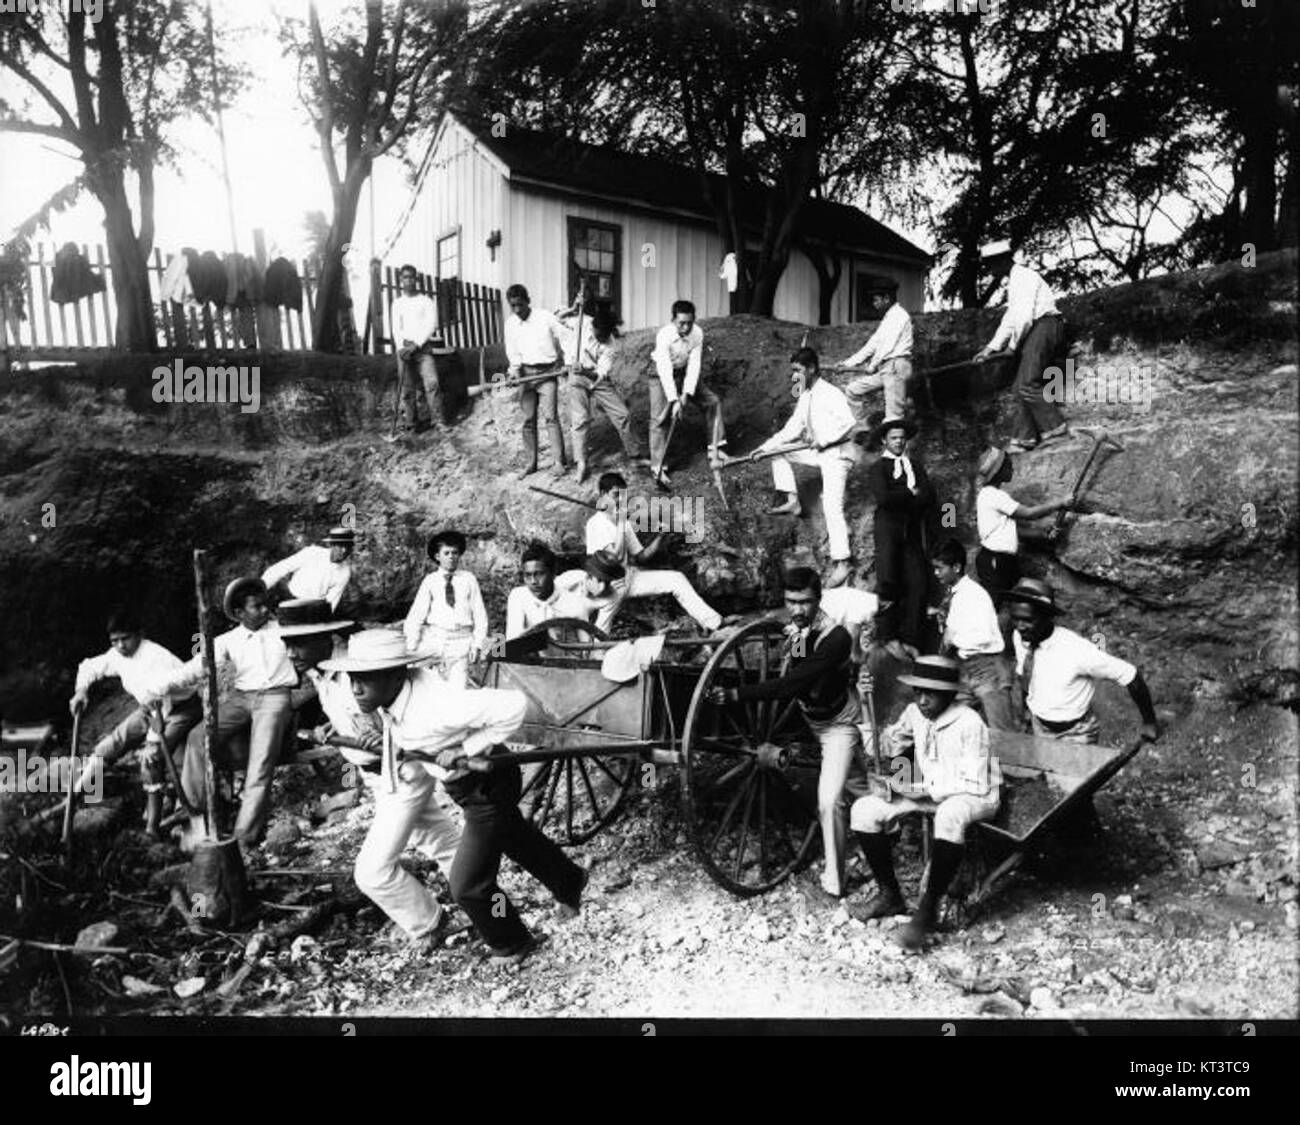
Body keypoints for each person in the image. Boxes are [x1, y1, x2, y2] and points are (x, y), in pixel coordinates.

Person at [326, 628, 586, 965]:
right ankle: (570, 881)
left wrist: (466, 747)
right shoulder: (393, 696)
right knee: (517, 839)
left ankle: (512, 942)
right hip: (463, 785)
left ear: (395, 674)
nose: (356, 689)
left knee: (468, 885)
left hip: (488, 782)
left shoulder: (439, 707)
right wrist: (379, 743)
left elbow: (513, 704)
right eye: (352, 679)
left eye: (366, 679)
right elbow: (408, 734)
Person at [279, 604, 464, 948]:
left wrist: (381, 738)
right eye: (287, 643)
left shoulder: (361, 669)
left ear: (325, 636)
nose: (291, 652)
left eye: (298, 642)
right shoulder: (322, 671)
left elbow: (402, 718)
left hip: (400, 773)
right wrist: (333, 728)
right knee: (438, 838)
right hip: (376, 776)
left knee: (372, 872)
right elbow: (353, 717)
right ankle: (485, 904)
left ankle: (430, 923)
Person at [705, 568, 870, 901]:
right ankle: (888, 825)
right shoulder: (799, 631)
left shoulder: (836, 639)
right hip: (812, 718)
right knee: (858, 785)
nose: (797, 610)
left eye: (805, 603)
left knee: (829, 802)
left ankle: (835, 881)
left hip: (839, 724)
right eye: (791, 602)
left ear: (819, 599)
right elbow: (794, 667)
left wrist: (738, 695)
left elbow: (795, 683)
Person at [848, 655, 1002, 951]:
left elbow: (974, 782)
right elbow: (882, 748)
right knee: (864, 810)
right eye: (918, 692)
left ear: (949, 694)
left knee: (949, 814)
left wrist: (923, 790)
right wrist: (865, 708)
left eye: (930, 694)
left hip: (974, 795)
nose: (922, 700)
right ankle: (889, 894)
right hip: (930, 792)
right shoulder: (914, 713)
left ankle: (927, 909)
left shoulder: (969, 722)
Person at [149, 578, 296, 847]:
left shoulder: (284, 630)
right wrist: (157, 688)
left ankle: (243, 836)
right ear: (239, 613)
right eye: (257, 607)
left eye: (265, 605)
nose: (265, 610)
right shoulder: (229, 640)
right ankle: (195, 811)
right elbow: (194, 669)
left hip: (275, 696)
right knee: (198, 737)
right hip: (242, 698)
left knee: (261, 763)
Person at [1001, 578, 1160, 746]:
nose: (1020, 626)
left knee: (1075, 773)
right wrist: (1028, 711)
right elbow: (1025, 673)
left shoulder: (1077, 651)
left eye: (1027, 620)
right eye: (1015, 618)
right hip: (1039, 727)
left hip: (1076, 734)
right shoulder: (1020, 637)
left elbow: (1129, 674)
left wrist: (1149, 722)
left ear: (1047, 617)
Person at [68, 609, 203, 805]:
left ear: (140, 634)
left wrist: (151, 742)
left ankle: (152, 827)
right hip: (150, 708)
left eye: (125, 638)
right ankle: (74, 797)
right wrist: (81, 690)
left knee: (152, 758)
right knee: (107, 747)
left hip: (180, 708)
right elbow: (90, 666)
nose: (120, 645)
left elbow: (162, 703)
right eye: (114, 640)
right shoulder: (116, 655)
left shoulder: (156, 658)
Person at [752, 347, 860, 589]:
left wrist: (823, 440)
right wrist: (763, 448)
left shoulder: (831, 393)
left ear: (811, 369)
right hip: (819, 453)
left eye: (798, 370)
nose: (794, 376)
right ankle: (793, 500)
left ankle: (842, 562)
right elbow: (791, 429)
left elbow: (849, 423)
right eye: (793, 371)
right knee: (779, 452)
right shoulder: (806, 395)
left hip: (838, 455)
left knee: (832, 505)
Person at [584, 472, 726, 634]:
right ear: (603, 495)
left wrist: (661, 535)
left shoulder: (623, 522)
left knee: (676, 579)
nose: (620, 501)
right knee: (601, 627)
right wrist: (622, 523)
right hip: (609, 585)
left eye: (623, 496)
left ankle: (715, 624)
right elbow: (614, 557)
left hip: (629, 577)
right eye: (616, 495)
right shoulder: (595, 524)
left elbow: (641, 556)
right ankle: (594, 653)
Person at [972, 241, 1070, 453]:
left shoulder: (1024, 277)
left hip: (1045, 326)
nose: (990, 271)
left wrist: (1013, 347)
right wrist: (990, 349)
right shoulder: (1014, 281)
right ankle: (1024, 438)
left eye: (990, 265)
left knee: (1028, 383)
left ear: (1001, 261)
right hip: (1037, 329)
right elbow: (1011, 319)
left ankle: (1056, 430)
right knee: (1019, 387)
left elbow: (1024, 319)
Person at [864, 416, 935, 656]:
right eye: (893, 438)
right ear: (884, 440)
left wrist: (908, 496)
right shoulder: (878, 468)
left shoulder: (915, 466)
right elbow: (883, 498)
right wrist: (909, 493)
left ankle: (912, 640)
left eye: (902, 438)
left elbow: (929, 497)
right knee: (888, 579)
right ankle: (887, 635)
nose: (898, 442)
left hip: (911, 529)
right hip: (888, 528)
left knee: (918, 581)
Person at [931, 539, 1016, 731]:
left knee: (1003, 734)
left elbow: (984, 637)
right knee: (953, 726)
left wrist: (953, 639)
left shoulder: (974, 595)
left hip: (988, 669)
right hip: (965, 668)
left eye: (940, 568)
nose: (936, 573)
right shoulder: (957, 594)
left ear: (957, 567)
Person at [973, 447, 1074, 597]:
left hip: (1003, 560)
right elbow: (1029, 514)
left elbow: (1010, 531)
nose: (1012, 468)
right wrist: (1060, 503)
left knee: (1011, 599)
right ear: (998, 471)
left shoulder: (988, 495)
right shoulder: (994, 496)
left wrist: (1042, 534)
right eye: (1008, 465)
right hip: (995, 560)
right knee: (996, 603)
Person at [648, 299, 725, 485]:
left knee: (712, 401)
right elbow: (665, 370)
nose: (686, 327)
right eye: (681, 323)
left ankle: (715, 448)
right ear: (673, 320)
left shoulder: (697, 333)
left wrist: (685, 395)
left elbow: (694, 365)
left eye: (690, 322)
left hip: (685, 371)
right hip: (661, 374)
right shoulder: (664, 335)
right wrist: (674, 401)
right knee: (660, 418)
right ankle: (658, 467)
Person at [560, 305, 638, 483]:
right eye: (598, 332)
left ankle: (635, 454)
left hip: (596, 379)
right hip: (576, 378)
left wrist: (586, 371)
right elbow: (558, 319)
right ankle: (581, 463)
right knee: (580, 420)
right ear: (593, 325)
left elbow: (600, 373)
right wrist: (572, 307)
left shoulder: (612, 346)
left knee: (622, 414)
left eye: (604, 334)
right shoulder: (583, 322)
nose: (600, 337)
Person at [403, 530, 489, 689]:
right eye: (446, 553)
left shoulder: (469, 579)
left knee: (457, 690)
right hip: (436, 640)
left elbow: (480, 614)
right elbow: (416, 615)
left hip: (461, 642)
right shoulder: (430, 581)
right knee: (431, 688)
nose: (451, 557)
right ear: (437, 556)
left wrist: (477, 644)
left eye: (455, 553)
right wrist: (411, 646)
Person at [503, 283, 568, 478]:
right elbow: (512, 352)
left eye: (520, 305)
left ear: (528, 301)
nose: (517, 310)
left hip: (547, 374)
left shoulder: (545, 317)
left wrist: (567, 361)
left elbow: (565, 337)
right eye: (513, 306)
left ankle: (558, 462)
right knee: (528, 420)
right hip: (525, 376)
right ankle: (531, 463)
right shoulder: (510, 324)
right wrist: (514, 371)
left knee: (551, 418)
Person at [832, 283, 913, 422]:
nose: (874, 304)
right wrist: (846, 364)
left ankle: (895, 439)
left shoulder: (899, 316)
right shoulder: (888, 319)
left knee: (894, 416)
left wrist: (872, 366)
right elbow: (872, 345)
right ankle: (860, 426)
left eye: (876, 300)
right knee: (852, 390)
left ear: (886, 298)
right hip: (886, 369)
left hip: (896, 367)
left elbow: (888, 346)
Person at [391, 264, 442, 432]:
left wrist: (416, 345)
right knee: (407, 388)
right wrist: (401, 348)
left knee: (432, 382)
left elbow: (431, 325)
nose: (408, 280)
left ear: (416, 279)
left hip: (422, 348)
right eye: (405, 277)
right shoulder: (397, 303)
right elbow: (396, 328)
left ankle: (438, 420)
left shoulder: (426, 301)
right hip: (404, 349)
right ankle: (411, 424)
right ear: (401, 280)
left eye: (411, 277)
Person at [505, 541, 592, 640]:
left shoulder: (574, 603)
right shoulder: (518, 596)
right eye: (528, 575)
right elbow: (513, 639)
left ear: (553, 573)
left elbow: (587, 646)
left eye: (539, 574)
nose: (533, 581)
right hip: (528, 653)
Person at [261, 526, 356, 611]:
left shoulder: (345, 572)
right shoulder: (312, 553)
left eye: (347, 547)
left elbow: (332, 601)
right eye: (340, 546)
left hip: (313, 607)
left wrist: (324, 617)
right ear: (331, 545)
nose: (343, 551)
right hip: (289, 598)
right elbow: (281, 569)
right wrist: (259, 589)